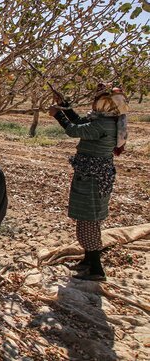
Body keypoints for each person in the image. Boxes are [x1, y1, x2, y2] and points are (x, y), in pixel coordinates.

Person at [48, 82, 128, 281]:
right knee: (89, 219)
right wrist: (64, 104)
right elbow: (80, 121)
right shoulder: (106, 121)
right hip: (93, 175)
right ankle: (88, 261)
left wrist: (58, 115)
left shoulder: (103, 124)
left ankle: (96, 269)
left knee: (88, 220)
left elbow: (74, 130)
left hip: (92, 177)